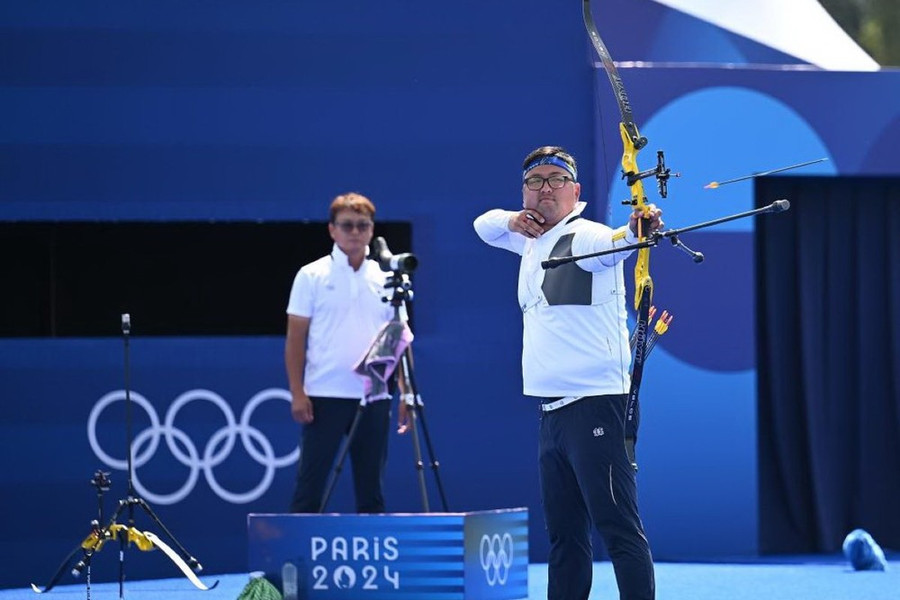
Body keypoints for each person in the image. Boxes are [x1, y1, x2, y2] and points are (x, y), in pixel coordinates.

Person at [473, 146, 663, 600]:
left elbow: (622, 240)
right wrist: (512, 220)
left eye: (556, 180)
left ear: (575, 190)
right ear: (523, 192)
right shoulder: (529, 239)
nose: (545, 189)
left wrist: (642, 225)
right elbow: (482, 224)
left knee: (618, 528)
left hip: (596, 403)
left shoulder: (589, 236)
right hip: (553, 412)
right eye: (535, 181)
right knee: (565, 538)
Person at [285, 192, 409, 514]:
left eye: (362, 225)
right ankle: (299, 564)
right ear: (332, 230)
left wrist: (406, 394)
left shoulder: (387, 278)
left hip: (374, 397)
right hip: (324, 394)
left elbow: (399, 342)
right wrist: (298, 392)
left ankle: (373, 564)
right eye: (347, 225)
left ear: (371, 230)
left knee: (372, 492)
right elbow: (295, 339)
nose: (355, 232)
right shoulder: (310, 275)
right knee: (309, 489)